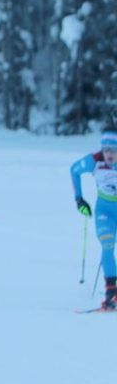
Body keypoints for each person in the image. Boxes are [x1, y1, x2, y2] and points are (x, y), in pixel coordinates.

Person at [70, 129, 117, 310]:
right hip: (105, 211)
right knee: (107, 244)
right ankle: (112, 291)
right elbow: (74, 170)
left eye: (113, 149)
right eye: (106, 149)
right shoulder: (94, 160)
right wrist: (79, 200)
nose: (109, 154)